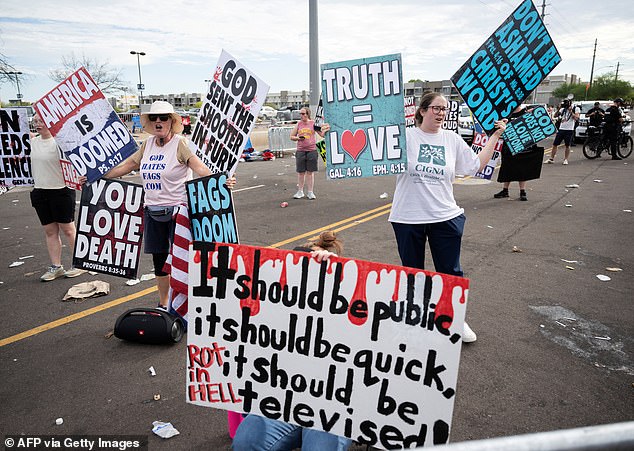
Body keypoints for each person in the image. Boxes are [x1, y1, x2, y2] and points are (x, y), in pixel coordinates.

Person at [388, 92, 507, 343]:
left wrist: (495, 136)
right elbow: (370, 147)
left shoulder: (451, 139)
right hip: (408, 217)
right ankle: (415, 319)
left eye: (444, 109)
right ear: (422, 111)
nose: (441, 113)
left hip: (445, 216)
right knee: (412, 272)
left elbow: (474, 165)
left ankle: (454, 317)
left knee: (450, 272)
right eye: (435, 108)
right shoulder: (405, 137)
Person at [232, 233, 352, 451]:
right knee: (246, 441)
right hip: (283, 402)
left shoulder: (349, 312)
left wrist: (335, 271)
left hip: (331, 405)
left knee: (320, 447)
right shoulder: (272, 313)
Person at [102, 101, 216, 309]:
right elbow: (129, 165)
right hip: (152, 211)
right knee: (160, 262)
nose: (158, 122)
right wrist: (99, 176)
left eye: (163, 117)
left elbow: (198, 166)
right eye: (154, 118)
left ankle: (191, 305)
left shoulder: (181, 144)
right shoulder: (147, 144)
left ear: (172, 121)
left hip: (178, 212)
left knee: (183, 260)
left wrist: (220, 180)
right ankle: (164, 304)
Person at [30, 113, 85, 281]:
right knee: (50, 231)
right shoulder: (31, 142)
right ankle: (56, 267)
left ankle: (79, 264)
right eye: (35, 121)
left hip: (61, 190)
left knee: (68, 230)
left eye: (41, 121)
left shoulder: (60, 143)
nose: (38, 124)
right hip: (40, 190)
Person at [493, 105, 544, 201]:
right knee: (507, 167)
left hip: (522, 145)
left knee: (522, 168)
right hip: (508, 145)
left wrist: (532, 114)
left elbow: (537, 121)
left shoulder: (526, 111)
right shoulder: (506, 113)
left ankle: (522, 191)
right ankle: (505, 190)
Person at [290, 107, 326, 200]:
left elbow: (321, 134)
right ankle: (300, 191)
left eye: (303, 114)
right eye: (300, 114)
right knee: (301, 172)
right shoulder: (299, 124)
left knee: (310, 172)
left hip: (312, 150)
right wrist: (299, 138)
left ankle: (310, 192)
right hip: (301, 150)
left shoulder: (313, 123)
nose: (301, 116)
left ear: (307, 114)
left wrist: (326, 130)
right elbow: (292, 136)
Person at [545, 99, 580, 165]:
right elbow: (555, 115)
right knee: (555, 144)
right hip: (561, 129)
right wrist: (559, 108)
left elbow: (576, 118)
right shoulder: (563, 109)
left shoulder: (576, 108)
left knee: (567, 145)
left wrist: (571, 111)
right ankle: (551, 158)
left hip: (569, 129)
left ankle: (565, 159)